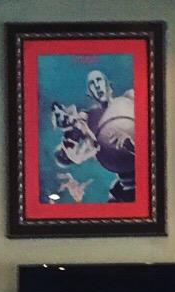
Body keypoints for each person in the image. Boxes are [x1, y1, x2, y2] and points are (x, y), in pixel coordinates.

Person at [50, 68, 136, 202]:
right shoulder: (89, 117)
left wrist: (132, 144)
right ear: (89, 93)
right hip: (127, 187)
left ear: (108, 83)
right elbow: (71, 153)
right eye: (91, 84)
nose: (96, 85)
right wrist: (68, 133)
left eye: (99, 80)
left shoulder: (129, 99)